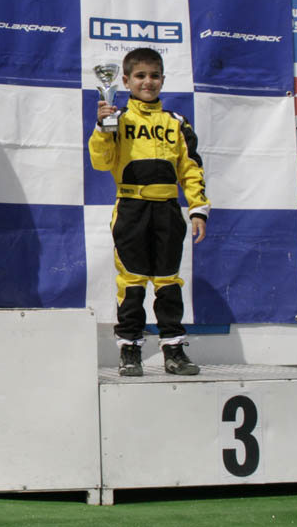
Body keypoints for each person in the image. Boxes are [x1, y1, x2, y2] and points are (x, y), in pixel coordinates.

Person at [88, 47, 210, 377]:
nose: (148, 82)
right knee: (132, 281)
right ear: (126, 81)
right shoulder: (118, 119)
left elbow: (191, 168)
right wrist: (102, 128)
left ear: (163, 80)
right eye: (140, 76)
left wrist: (198, 208)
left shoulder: (176, 122)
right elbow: (101, 162)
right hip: (131, 208)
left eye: (154, 76)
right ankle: (129, 350)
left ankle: (174, 349)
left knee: (168, 281)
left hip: (167, 209)